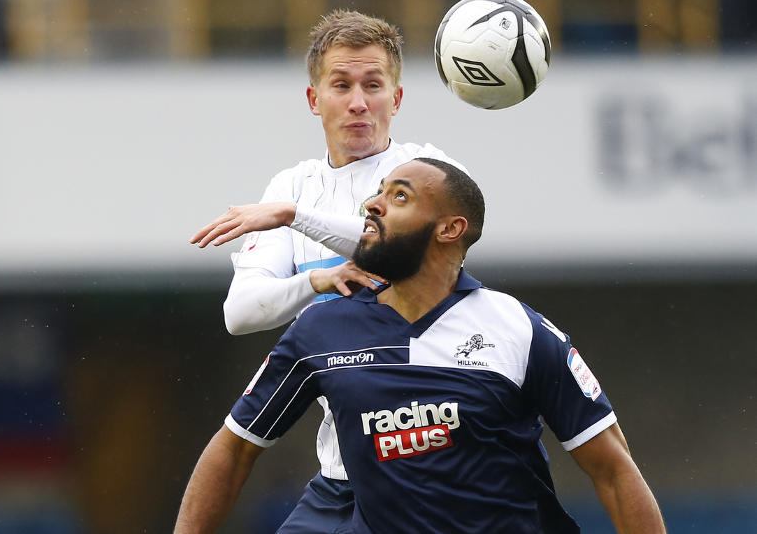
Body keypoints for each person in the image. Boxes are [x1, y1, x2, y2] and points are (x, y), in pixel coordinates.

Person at [175, 158, 667, 533]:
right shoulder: (321, 331)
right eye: (377, 193)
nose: (373, 204)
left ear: (450, 228)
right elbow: (234, 449)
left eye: (399, 196)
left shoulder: (516, 328)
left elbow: (613, 470)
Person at [189, 10, 464, 532]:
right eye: (341, 85)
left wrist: (295, 217)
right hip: (341, 474)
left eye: (373, 85)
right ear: (314, 99)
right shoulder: (290, 186)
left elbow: (397, 244)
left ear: (397, 98)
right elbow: (240, 313)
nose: (358, 102)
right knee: (235, 443)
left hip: (432, 465)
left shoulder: (431, 172)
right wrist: (315, 279)